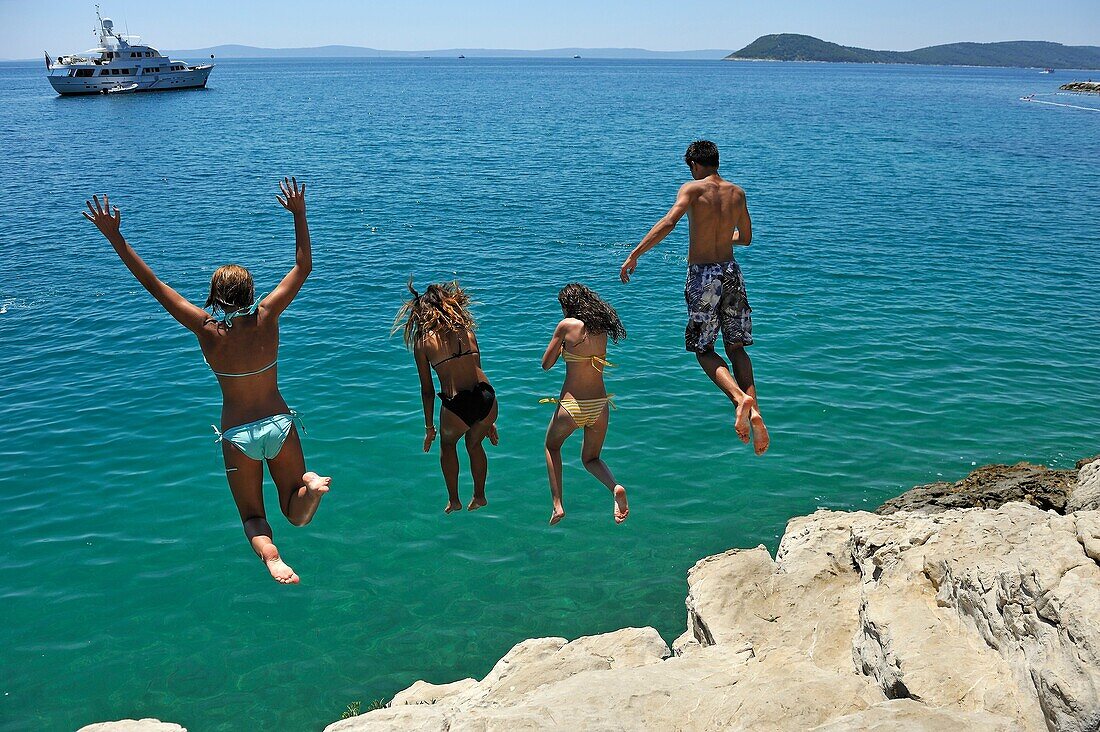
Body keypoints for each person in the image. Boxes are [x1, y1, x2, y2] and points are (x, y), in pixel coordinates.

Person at [82, 179, 331, 585]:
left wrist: (116, 238)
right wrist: (299, 214)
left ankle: (272, 559)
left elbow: (155, 287)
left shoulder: (206, 329)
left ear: (214, 298)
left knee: (254, 517)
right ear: (251, 291)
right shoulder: (268, 314)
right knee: (295, 511)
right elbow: (304, 266)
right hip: (279, 425)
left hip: (239, 436)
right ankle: (310, 486)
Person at [620, 140, 769, 455]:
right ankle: (755, 410)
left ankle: (739, 400)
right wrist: (719, 233)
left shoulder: (691, 189)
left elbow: (669, 223)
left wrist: (636, 253)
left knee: (703, 349)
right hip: (732, 273)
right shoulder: (737, 193)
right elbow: (746, 238)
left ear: (695, 165)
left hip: (703, 275)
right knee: (737, 347)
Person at [394, 281, 499, 514]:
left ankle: (454, 500)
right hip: (487, 398)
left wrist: (429, 426)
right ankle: (480, 495)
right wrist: (491, 421)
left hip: (457, 403)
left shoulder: (423, 342)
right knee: (474, 444)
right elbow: (478, 369)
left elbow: (427, 390)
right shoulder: (467, 329)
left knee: (448, 444)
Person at [540, 284, 629, 525]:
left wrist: (560, 346)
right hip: (600, 406)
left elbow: (545, 364)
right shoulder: (600, 329)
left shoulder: (567, 325)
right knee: (591, 459)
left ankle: (558, 505)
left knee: (552, 446)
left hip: (572, 406)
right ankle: (615, 487)